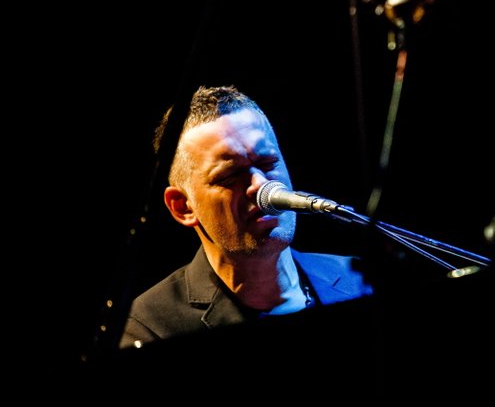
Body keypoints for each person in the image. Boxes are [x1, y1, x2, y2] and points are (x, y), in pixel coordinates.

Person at [118, 84, 373, 349]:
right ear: (183, 207)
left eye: (267, 163)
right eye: (230, 176)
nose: (260, 185)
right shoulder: (148, 328)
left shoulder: (361, 281)